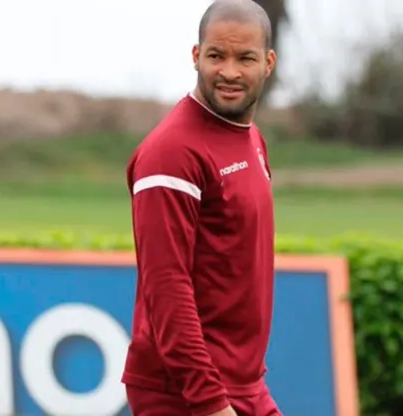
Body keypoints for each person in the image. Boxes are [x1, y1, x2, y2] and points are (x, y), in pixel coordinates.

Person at [122, 0, 280, 415]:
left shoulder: (251, 138)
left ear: (268, 62)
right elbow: (166, 286)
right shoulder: (170, 154)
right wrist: (209, 401)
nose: (229, 71)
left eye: (244, 58)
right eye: (216, 55)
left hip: (244, 383)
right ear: (196, 56)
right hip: (186, 395)